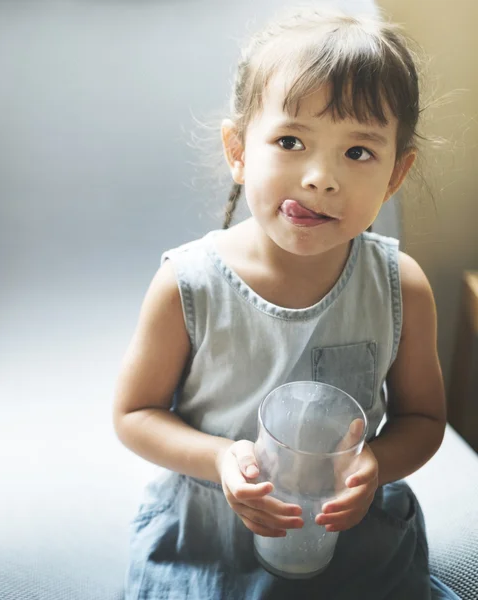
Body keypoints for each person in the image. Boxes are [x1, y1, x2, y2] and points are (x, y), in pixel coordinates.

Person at [113, 7, 459, 599]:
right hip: (211, 532)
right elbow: (135, 416)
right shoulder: (188, 285)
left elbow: (424, 422)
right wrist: (223, 461)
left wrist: (374, 465)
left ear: (396, 175)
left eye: (359, 153)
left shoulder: (403, 287)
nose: (321, 177)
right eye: (291, 141)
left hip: (345, 529)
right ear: (239, 150)